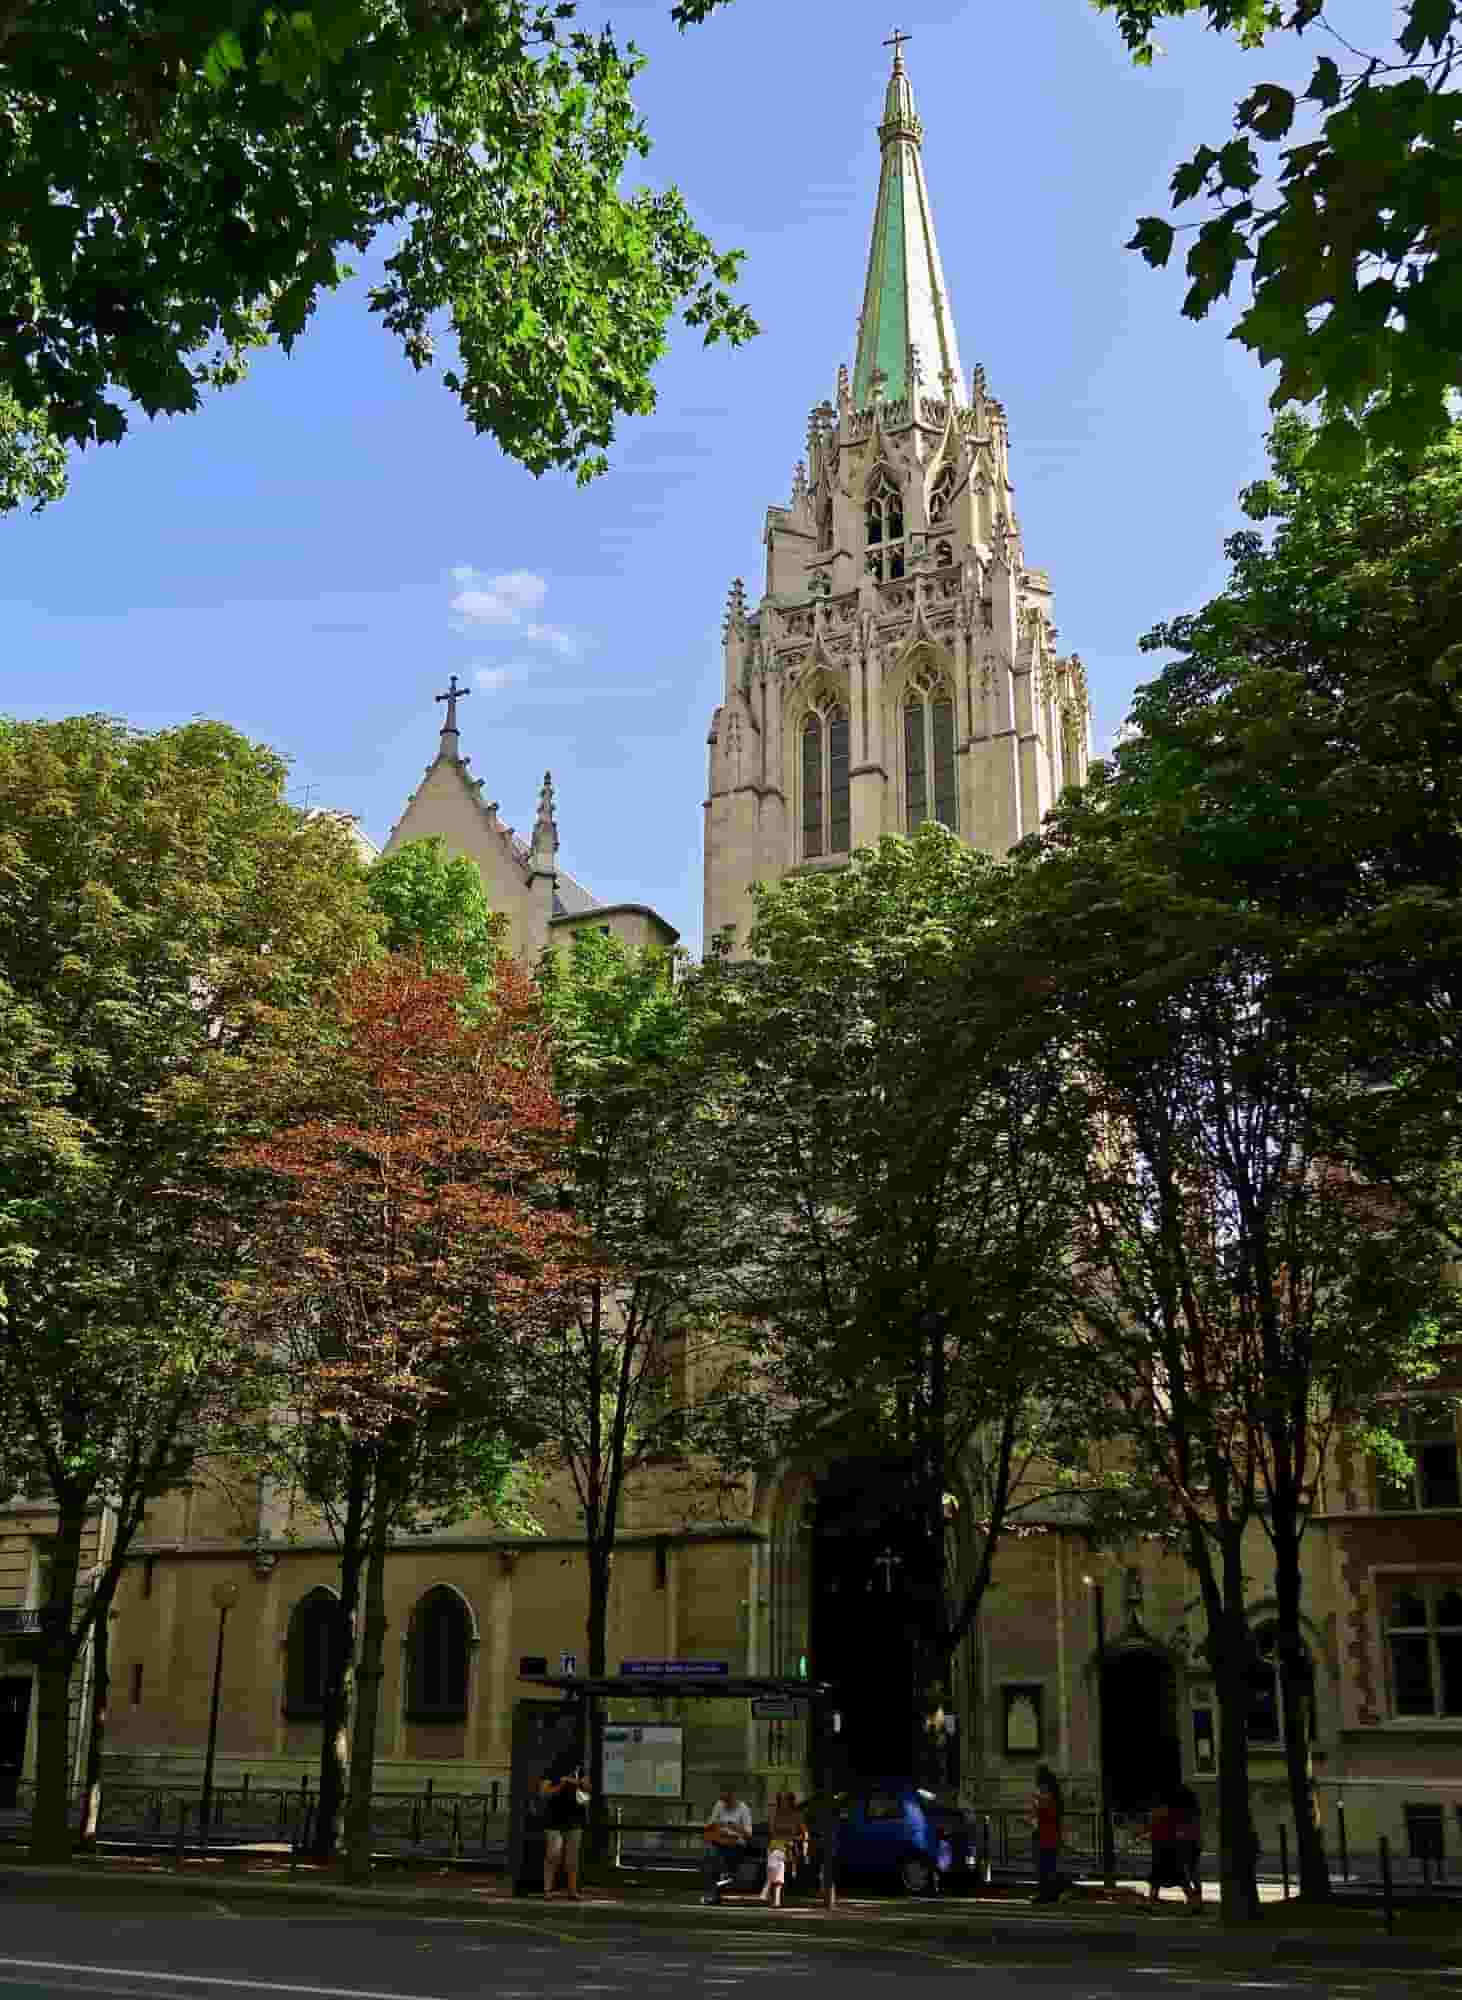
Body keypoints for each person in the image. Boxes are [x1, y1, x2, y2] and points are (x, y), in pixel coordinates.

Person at [541, 1758, 590, 1900]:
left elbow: (588, 1787)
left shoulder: (580, 1770)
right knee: (552, 1855)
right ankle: (547, 1890)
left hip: (574, 1819)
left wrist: (575, 1782)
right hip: (554, 1820)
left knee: (572, 1858)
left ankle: (572, 1891)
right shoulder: (550, 1770)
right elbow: (544, 1793)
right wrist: (561, 1785)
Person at [701, 1782, 753, 1904]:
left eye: (727, 1801)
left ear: (733, 1796)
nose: (725, 1804)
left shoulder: (743, 1809)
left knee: (720, 1863)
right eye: (723, 1800)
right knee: (711, 1858)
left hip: (736, 1845)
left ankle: (714, 1893)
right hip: (720, 1841)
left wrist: (735, 1827)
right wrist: (715, 1825)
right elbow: (709, 1825)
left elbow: (748, 1835)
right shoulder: (719, 1805)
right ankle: (714, 1893)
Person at [1029, 1765, 1064, 1904]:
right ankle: (1049, 1893)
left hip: (1045, 1836)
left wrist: (1037, 1803)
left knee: (1044, 1867)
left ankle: (1046, 1894)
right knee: (1048, 1866)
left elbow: (1043, 1815)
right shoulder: (1052, 1796)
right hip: (1049, 1835)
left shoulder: (1046, 1798)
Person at [1147, 1788, 1182, 1905]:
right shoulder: (1169, 1812)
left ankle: (1152, 1899)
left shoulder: (1160, 1812)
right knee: (1175, 1876)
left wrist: (1150, 1836)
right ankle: (1152, 1898)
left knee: (1160, 1875)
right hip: (1167, 1846)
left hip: (1163, 1847)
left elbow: (1158, 1830)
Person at [1172, 1784, 1203, 1909]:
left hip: (1183, 1843)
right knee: (1194, 1873)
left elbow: (1178, 1829)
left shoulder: (1179, 1811)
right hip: (1194, 1843)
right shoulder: (1195, 1811)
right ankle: (1197, 1898)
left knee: (1180, 1873)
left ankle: (1192, 1898)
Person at [759, 1839, 788, 1908]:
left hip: (772, 1867)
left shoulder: (770, 1851)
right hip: (777, 1868)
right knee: (777, 1885)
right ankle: (767, 1897)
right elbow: (785, 1858)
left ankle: (769, 1898)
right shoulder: (779, 1852)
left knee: (771, 1882)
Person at [932, 1824, 954, 1897]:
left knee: (940, 1878)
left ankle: (939, 1891)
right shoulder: (943, 1843)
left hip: (942, 1863)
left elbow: (945, 1854)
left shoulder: (942, 1843)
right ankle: (939, 1891)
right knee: (940, 1878)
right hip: (942, 1863)